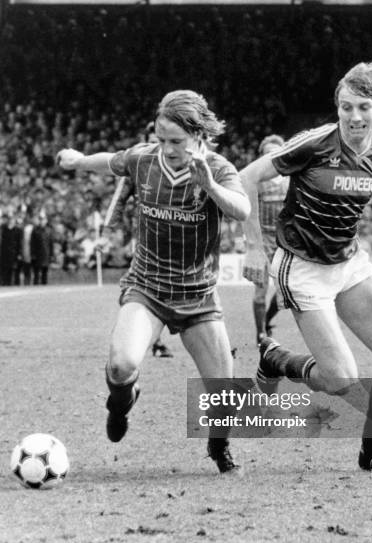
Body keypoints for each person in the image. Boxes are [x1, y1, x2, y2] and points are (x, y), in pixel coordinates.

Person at [240, 62, 372, 473]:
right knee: (340, 380)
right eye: (345, 107)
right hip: (302, 268)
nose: (354, 117)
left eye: (363, 107)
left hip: (348, 264)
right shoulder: (314, 143)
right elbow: (247, 177)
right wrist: (254, 249)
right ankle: (277, 360)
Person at [57, 90, 250, 474]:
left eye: (177, 141)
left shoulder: (219, 168)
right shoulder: (143, 159)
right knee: (121, 366)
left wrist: (210, 185)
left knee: (224, 393)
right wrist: (78, 161)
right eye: (162, 140)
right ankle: (120, 402)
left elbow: (242, 210)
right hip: (147, 287)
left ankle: (218, 445)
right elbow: (109, 162)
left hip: (197, 295)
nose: (168, 148)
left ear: (199, 136)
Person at [105, 121, 175, 358]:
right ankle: (148, 338)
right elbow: (119, 199)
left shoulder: (179, 163)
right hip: (145, 238)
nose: (159, 147)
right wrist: (107, 232)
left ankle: (149, 337)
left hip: (177, 239)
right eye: (154, 141)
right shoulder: (139, 163)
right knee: (144, 288)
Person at [252, 135, 289, 345]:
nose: (270, 157)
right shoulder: (255, 182)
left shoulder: (290, 181)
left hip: (285, 243)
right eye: (266, 154)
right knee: (260, 293)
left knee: (285, 293)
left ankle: (266, 320)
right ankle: (260, 334)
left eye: (274, 153)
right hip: (262, 242)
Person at [31, 210, 53, 285]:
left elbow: (51, 244)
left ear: (46, 220)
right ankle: (35, 286)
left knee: (45, 273)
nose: (42, 221)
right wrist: (33, 254)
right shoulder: (35, 230)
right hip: (37, 255)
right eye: (40, 219)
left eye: (43, 219)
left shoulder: (48, 231)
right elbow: (32, 243)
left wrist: (51, 255)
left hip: (46, 254)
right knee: (36, 273)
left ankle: (44, 286)